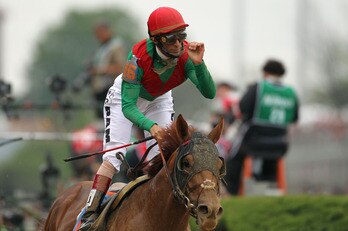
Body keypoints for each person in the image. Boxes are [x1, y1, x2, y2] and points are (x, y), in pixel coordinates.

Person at [78, 7, 216, 230]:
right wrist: (150, 126)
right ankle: (89, 215)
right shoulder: (138, 58)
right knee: (114, 157)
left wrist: (199, 64)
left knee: (162, 159)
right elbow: (129, 107)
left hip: (159, 99)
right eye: (172, 39)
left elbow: (209, 92)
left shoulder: (186, 56)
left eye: (182, 36)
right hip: (125, 99)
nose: (179, 44)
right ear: (156, 40)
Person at [225, 59, 299, 195]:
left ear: (265, 73)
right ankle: (270, 193)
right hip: (280, 143)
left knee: (232, 159)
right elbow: (294, 118)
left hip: (254, 141)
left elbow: (242, 108)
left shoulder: (259, 87)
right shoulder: (291, 92)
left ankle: (232, 193)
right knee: (270, 166)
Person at [88, 22, 126, 119]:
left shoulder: (115, 46)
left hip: (110, 88)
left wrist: (99, 71)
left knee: (109, 119)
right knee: (100, 119)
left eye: (101, 32)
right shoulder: (102, 47)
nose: (98, 36)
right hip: (99, 89)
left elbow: (120, 67)